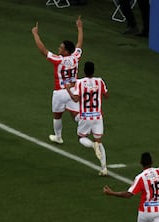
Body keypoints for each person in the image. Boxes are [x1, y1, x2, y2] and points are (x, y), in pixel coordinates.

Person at [31, 16, 83, 144]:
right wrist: (80, 28)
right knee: (76, 115)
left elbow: (43, 50)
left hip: (60, 92)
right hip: (73, 90)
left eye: (61, 48)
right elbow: (79, 43)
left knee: (57, 115)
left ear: (66, 51)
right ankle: (89, 126)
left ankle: (58, 137)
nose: (58, 49)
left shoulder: (58, 60)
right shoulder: (76, 57)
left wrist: (35, 34)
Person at [66, 61, 109, 176]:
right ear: (93, 71)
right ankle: (104, 168)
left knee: (81, 137)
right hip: (98, 116)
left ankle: (91, 145)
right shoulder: (99, 81)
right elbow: (106, 96)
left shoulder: (80, 83)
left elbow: (75, 99)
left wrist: (68, 90)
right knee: (99, 142)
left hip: (86, 116)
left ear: (84, 71)